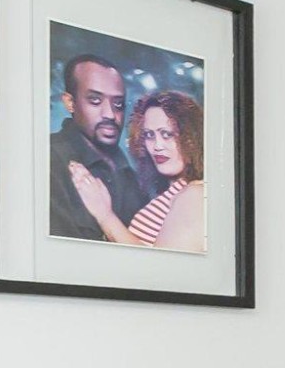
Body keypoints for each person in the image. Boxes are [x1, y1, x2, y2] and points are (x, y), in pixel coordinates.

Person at [70, 89, 205, 252]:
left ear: (191, 138)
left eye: (167, 134)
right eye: (149, 135)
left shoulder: (195, 194)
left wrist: (105, 215)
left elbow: (164, 267)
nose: (157, 146)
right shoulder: (173, 192)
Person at [48, 56, 146, 239]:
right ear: (70, 103)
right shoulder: (48, 161)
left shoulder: (130, 176)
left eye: (118, 104)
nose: (110, 114)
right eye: (95, 100)